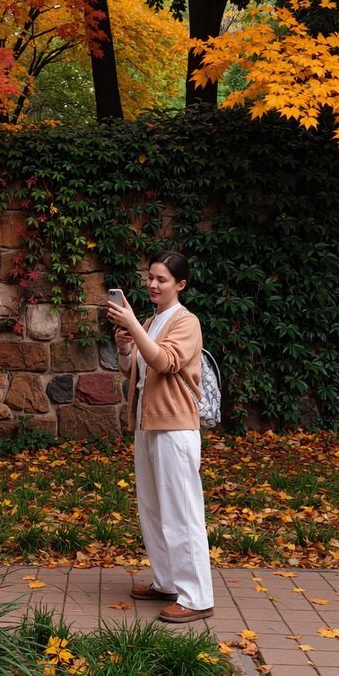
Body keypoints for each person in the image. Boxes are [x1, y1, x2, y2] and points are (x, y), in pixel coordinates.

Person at [106, 250, 214, 623]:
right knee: (152, 508)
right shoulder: (152, 321)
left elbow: (165, 362)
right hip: (147, 424)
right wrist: (125, 347)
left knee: (182, 512)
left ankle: (197, 597)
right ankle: (167, 583)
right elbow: (135, 368)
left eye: (162, 279)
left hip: (176, 428)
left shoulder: (186, 322)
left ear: (180, 284)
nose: (153, 284)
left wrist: (133, 325)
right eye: (150, 277)